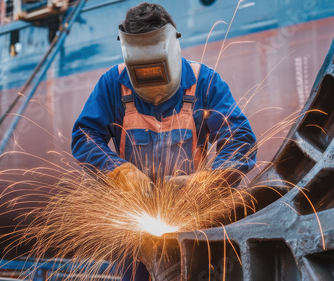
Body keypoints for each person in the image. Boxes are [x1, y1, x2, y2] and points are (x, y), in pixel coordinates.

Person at [71, 3, 257, 280]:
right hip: (136, 226)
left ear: (172, 49)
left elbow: (241, 140)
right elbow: (84, 137)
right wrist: (119, 172)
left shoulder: (203, 81)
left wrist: (207, 182)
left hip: (193, 221)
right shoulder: (113, 83)